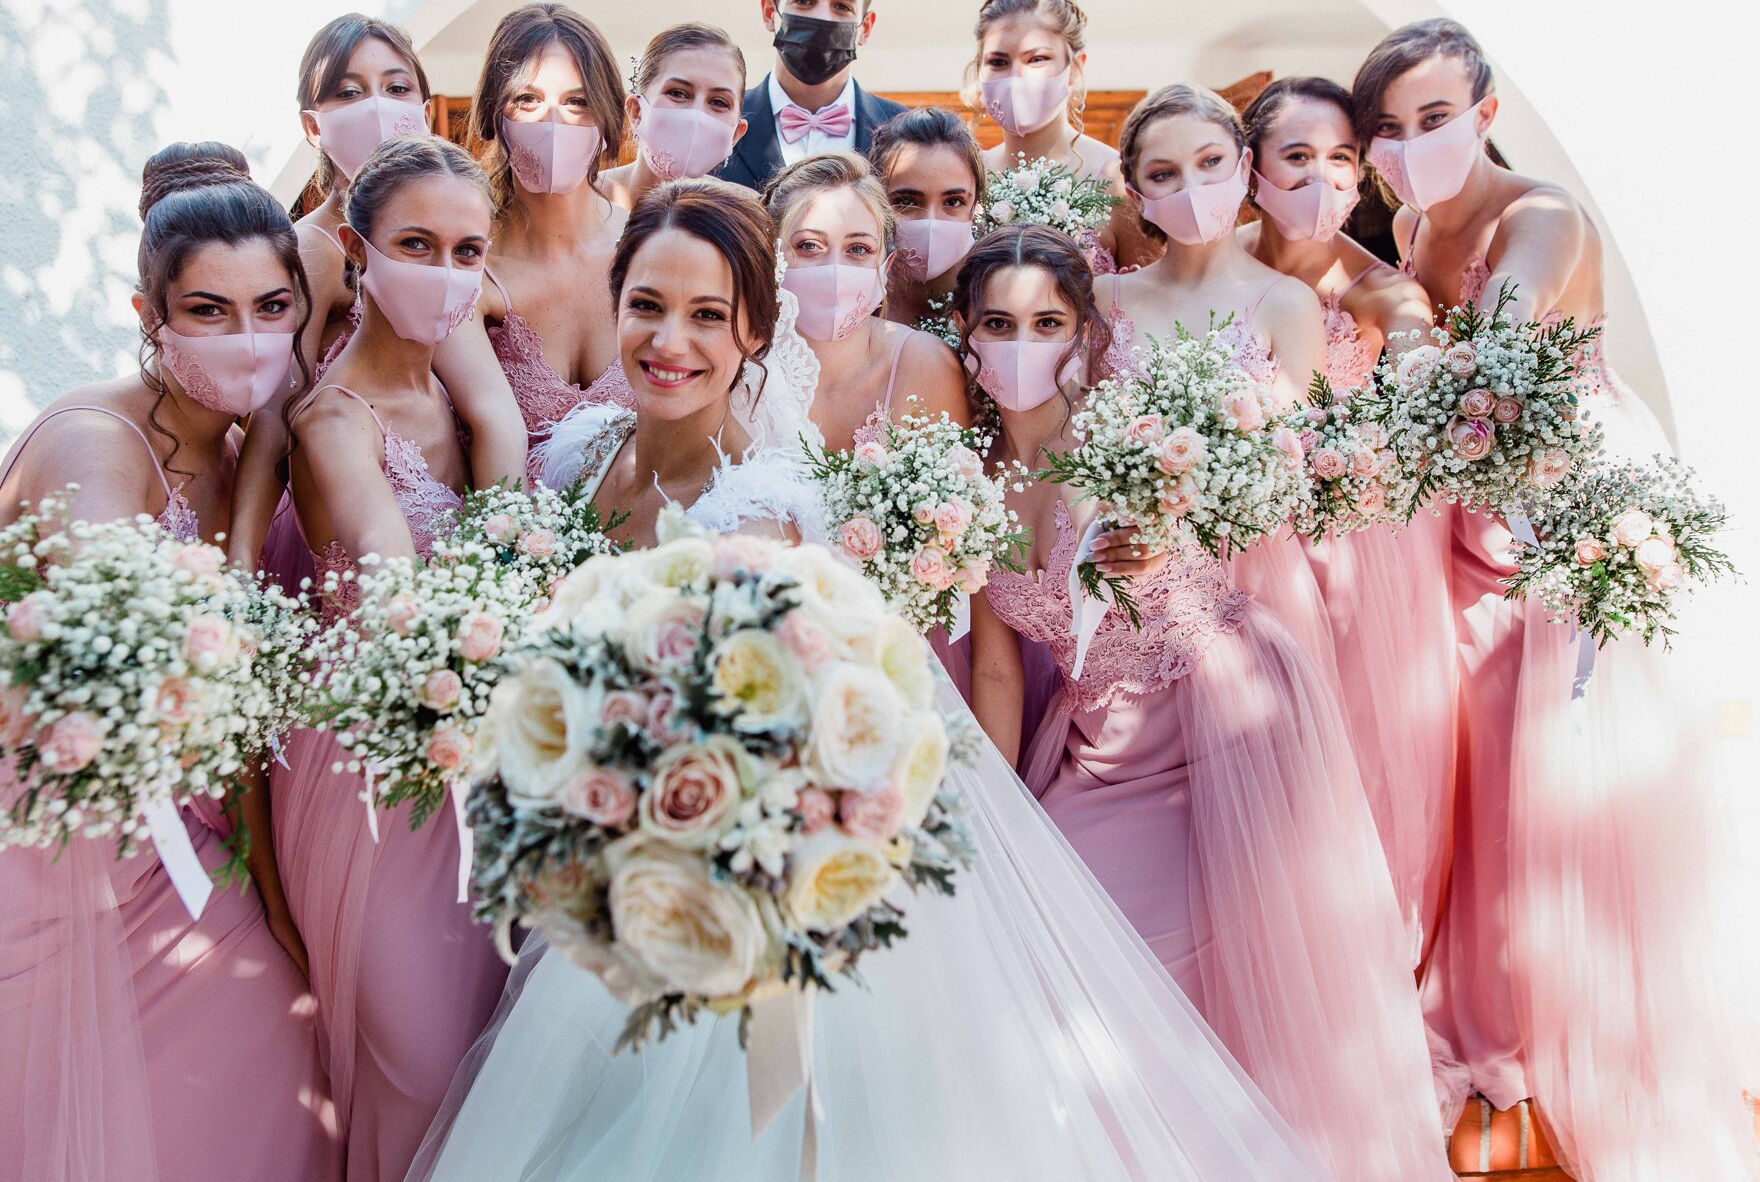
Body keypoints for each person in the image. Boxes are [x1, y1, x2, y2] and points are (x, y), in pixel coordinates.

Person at [407, 179, 1330, 1182]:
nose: (670, 340)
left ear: (756, 333)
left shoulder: (760, 516)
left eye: (707, 314)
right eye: (647, 305)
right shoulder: (578, 455)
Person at [0, 143, 340, 1181]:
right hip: (16, 817)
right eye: (209, 311)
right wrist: (256, 492)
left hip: (155, 804)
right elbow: (143, 653)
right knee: (31, 1122)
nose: (248, 337)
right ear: (149, 316)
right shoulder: (98, 441)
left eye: (272, 308)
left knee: (259, 1046)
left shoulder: (237, 444)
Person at [959, 223, 1448, 1181]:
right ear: (967, 339)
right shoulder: (971, 487)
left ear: (1085, 333)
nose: (1023, 344)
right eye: (999, 324)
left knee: (1163, 957)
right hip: (1095, 743)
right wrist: (993, 816)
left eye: (1048, 322)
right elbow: (998, 670)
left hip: (1214, 722)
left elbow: (1144, 515)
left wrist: (1143, 532)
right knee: (1046, 936)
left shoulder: (1124, 439)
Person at [1357, 18, 1759, 1178]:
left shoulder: (1542, 219)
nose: (1408, 145)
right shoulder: (1412, 226)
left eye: (1433, 118)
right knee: (1471, 767)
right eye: (1388, 129)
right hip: (1460, 507)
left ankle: (1561, 1031)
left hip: (1553, 512)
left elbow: (1491, 361)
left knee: (1553, 772)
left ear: (1483, 113)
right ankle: (1490, 1015)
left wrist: (1397, 347)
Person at [271, 134, 508, 1182]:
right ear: (358, 251)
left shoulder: (462, 402)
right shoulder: (332, 419)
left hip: (476, 753)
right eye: (417, 245)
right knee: (414, 1060)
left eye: (467, 251)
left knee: (482, 1047)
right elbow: (384, 559)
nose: (444, 273)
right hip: (368, 773)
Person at [1236, 75, 1457, 968]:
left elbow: (1417, 357)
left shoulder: (1380, 292)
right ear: (1251, 167)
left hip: (1347, 551)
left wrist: (1418, 371)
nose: (1322, 179)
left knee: (1347, 758)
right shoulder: (1209, 260)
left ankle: (1353, 962)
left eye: (1341, 159)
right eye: (1298, 156)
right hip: (1226, 548)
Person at [231, 15, 523, 572]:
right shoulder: (311, 250)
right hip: (344, 480)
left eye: (396, 87)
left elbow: (491, 408)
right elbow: (273, 413)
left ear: (423, 109)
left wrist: (513, 561)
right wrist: (241, 564)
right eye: (349, 92)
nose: (378, 108)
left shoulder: (449, 244)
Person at [1101, 84, 1341, 692]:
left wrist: (1176, 533)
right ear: (1136, 194)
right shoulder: (1104, 300)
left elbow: (1293, 465)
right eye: (1164, 174)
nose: (1192, 186)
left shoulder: (1288, 303)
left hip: (1245, 586)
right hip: (1120, 580)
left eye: (1210, 162)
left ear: (1244, 165)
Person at [464, 2, 636, 474]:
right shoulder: (471, 268)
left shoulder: (648, 246)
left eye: (577, 102)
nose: (553, 122)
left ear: (607, 120)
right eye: (527, 100)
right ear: (493, 116)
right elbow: (489, 426)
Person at [760, 152, 968, 449]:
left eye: (858, 249)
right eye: (809, 246)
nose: (834, 270)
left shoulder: (926, 365)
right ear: (771, 254)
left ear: (886, 266)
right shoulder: (739, 363)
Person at [968, 0, 1146, 269]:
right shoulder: (967, 179)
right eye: (998, 62)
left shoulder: (1116, 181)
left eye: (1037, 59)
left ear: (1074, 69)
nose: (1017, 77)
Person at [713, 0, 906, 191]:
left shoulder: (905, 134)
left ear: (866, 27)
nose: (822, 17)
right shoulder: (718, 123)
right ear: (769, 13)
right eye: (804, 1)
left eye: (842, 6)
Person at [598, 22, 749, 211]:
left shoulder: (747, 214)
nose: (696, 115)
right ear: (636, 111)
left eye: (719, 102)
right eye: (678, 93)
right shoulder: (581, 199)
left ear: (736, 134)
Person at [868, 106, 984, 335]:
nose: (931, 221)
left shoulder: (996, 295)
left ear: (975, 203)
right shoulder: (855, 294)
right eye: (906, 201)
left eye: (953, 202)